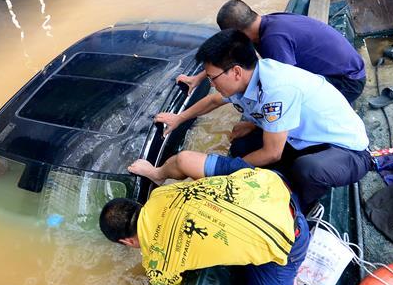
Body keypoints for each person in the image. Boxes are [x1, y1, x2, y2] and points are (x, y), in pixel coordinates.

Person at [99, 151, 309, 285]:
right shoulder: (160, 194)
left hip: (292, 236)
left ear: (127, 242)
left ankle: (291, 273)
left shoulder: (156, 261)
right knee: (185, 161)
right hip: (271, 182)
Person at [152, 29, 372, 213]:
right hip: (302, 139)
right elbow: (213, 101)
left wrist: (226, 173)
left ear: (236, 72)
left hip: (346, 152)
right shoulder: (250, 76)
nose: (211, 84)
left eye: (212, 78)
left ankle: (302, 209)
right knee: (242, 145)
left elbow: (272, 153)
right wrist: (179, 118)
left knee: (307, 169)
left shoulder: (276, 88)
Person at [180, 0, 367, 104]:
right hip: (348, 68)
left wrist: (255, 122)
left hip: (347, 82)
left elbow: (285, 86)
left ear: (237, 33)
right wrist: (199, 78)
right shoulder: (265, 23)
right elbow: (229, 54)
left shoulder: (273, 41)